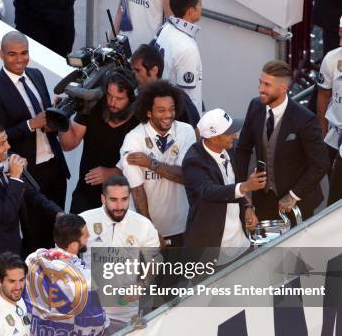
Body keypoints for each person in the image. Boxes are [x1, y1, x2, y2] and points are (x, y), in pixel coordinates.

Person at [0, 31, 70, 252]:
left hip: (55, 166)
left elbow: (45, 118)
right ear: (1, 54)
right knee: (35, 237)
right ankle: (33, 284)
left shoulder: (36, 75)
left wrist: (53, 116)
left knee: (58, 233)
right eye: (12, 54)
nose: (20, 59)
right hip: (29, 174)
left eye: (24, 53)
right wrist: (31, 124)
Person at [0, 123, 62, 299]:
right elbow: (6, 214)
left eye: (6, 141)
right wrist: (15, 178)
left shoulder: (5, 164)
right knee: (5, 319)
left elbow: (32, 194)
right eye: (2, 143)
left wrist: (58, 214)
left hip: (21, 250)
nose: (8, 147)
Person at [236, 60, 330, 221]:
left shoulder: (305, 120)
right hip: (262, 198)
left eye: (267, 85)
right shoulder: (254, 106)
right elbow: (242, 151)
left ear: (283, 88)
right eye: (260, 82)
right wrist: (242, 191)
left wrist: (293, 195)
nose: (260, 89)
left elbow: (320, 163)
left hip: (297, 201)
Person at [118, 80, 196, 247]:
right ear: (148, 112)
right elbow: (137, 190)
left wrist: (151, 163)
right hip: (144, 229)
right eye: (161, 110)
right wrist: (150, 231)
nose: (168, 115)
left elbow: (186, 175)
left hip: (181, 225)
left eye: (172, 109)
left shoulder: (186, 131)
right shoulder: (133, 139)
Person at [183, 109, 266, 264]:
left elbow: (234, 183)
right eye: (229, 132)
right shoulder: (193, 161)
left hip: (241, 245)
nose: (235, 135)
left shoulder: (229, 150)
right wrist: (246, 186)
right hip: (211, 252)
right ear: (214, 138)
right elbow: (209, 191)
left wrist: (247, 206)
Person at [79, 175, 159, 332]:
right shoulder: (84, 220)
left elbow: (156, 260)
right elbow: (67, 257)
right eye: (113, 199)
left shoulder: (143, 225)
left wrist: (142, 284)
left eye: (124, 199)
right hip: (89, 310)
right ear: (103, 198)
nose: (120, 206)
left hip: (127, 312)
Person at [24, 214, 107, 336]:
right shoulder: (84, 278)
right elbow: (98, 321)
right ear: (74, 245)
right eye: (86, 235)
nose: (89, 237)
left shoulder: (33, 259)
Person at [58, 68, 139, 213]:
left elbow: (144, 164)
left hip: (121, 202)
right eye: (109, 95)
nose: (112, 102)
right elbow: (69, 144)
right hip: (85, 196)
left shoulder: (139, 120)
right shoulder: (93, 106)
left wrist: (114, 173)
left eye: (119, 99)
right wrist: (62, 120)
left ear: (131, 99)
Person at [152, 0, 203, 114]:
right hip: (181, 119)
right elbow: (187, 99)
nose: (201, 8)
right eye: (199, 4)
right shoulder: (187, 48)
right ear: (190, 11)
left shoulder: (165, 28)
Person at [130, 44, 200, 128]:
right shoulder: (140, 97)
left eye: (138, 70)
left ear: (154, 70)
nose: (134, 75)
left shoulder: (177, 100)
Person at [316, 19, 342, 205]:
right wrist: (322, 130)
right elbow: (323, 95)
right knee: (334, 194)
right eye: (340, 35)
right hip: (334, 137)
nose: (340, 41)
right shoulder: (332, 59)